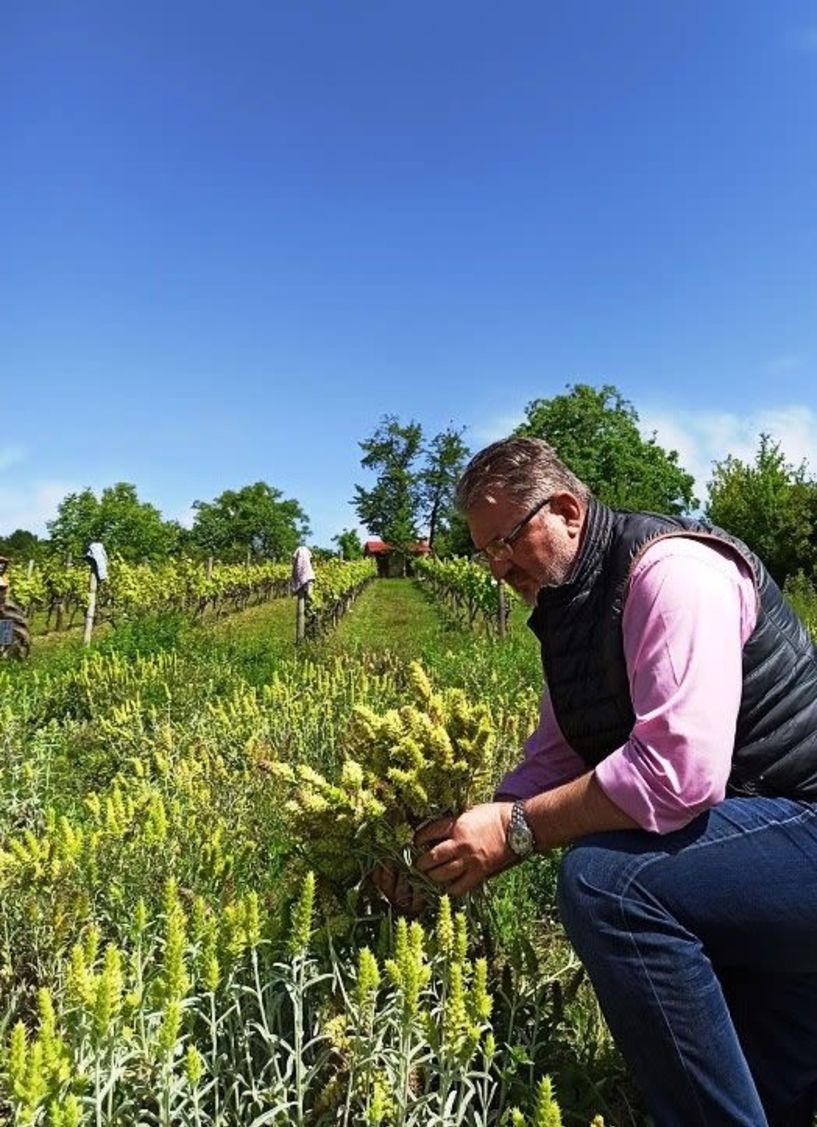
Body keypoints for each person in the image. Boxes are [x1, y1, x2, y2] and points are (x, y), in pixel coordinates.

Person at [400, 435, 817, 1127]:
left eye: (504, 539)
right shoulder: (572, 607)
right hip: (754, 847)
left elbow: (676, 774)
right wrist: (458, 843)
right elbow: (555, 750)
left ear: (565, 509)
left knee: (608, 883)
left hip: (798, 828)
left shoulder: (671, 572)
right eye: (483, 552)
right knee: (772, 1099)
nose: (496, 565)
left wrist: (516, 829)